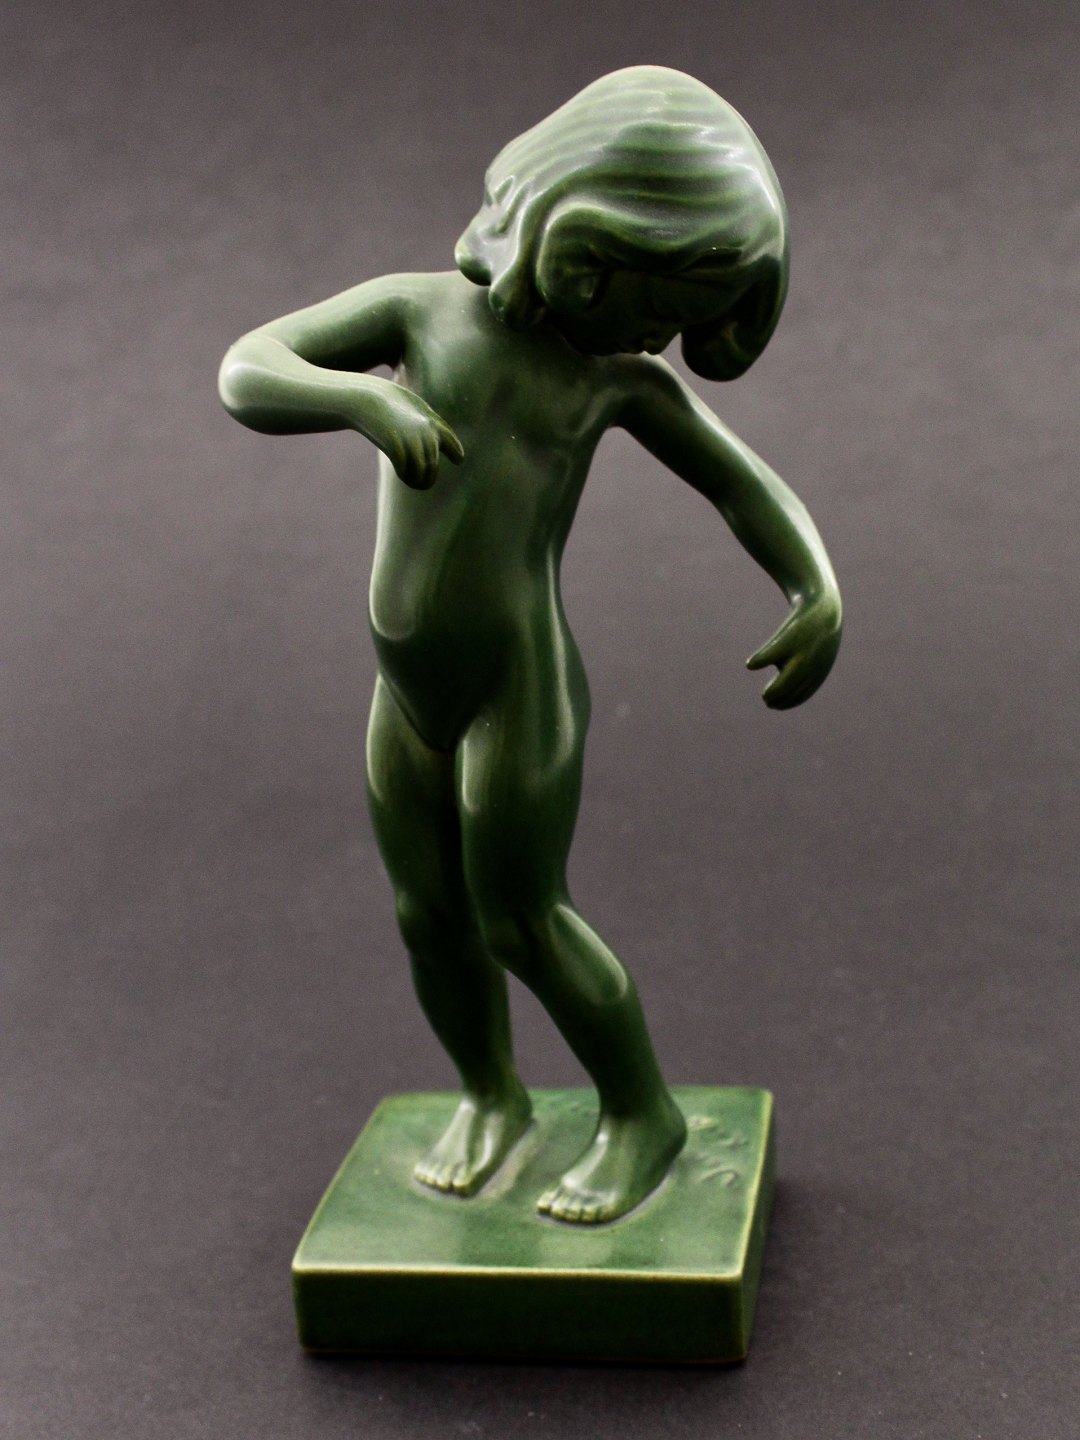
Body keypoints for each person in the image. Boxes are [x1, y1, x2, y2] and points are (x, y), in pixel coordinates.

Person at [219, 66, 842, 1224]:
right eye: (657, 305)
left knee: (520, 916)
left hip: (517, 686)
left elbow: (741, 482)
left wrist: (816, 585)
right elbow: (250, 367)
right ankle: (491, 1095)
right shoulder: (417, 314)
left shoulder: (614, 384)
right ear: (579, 243)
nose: (660, 337)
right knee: (426, 912)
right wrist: (364, 402)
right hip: (405, 691)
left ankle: (641, 1114)